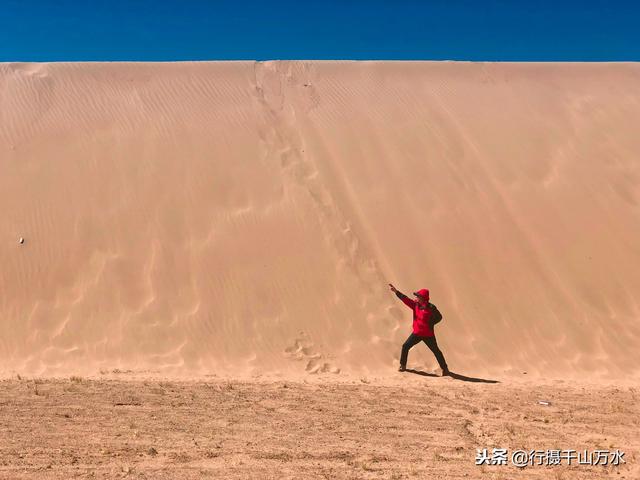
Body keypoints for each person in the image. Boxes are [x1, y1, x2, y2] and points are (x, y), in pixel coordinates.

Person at [389, 283, 449, 376]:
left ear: (423, 298)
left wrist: (430, 323)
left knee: (436, 351)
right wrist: (396, 292)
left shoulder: (431, 308)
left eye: (418, 296)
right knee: (405, 346)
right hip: (417, 333)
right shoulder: (415, 305)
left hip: (428, 335)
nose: (416, 297)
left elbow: (439, 317)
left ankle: (445, 369)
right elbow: (405, 299)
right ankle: (402, 365)